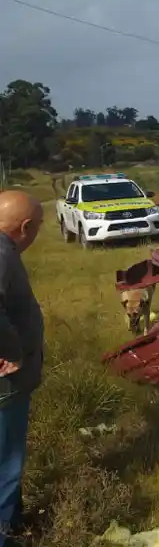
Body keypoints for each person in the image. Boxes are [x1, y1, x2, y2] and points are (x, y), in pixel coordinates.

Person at [0, 191, 44, 546]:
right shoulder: (1, 253)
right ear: (26, 227)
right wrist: (13, 351)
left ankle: (12, 520)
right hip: (5, 385)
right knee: (5, 463)